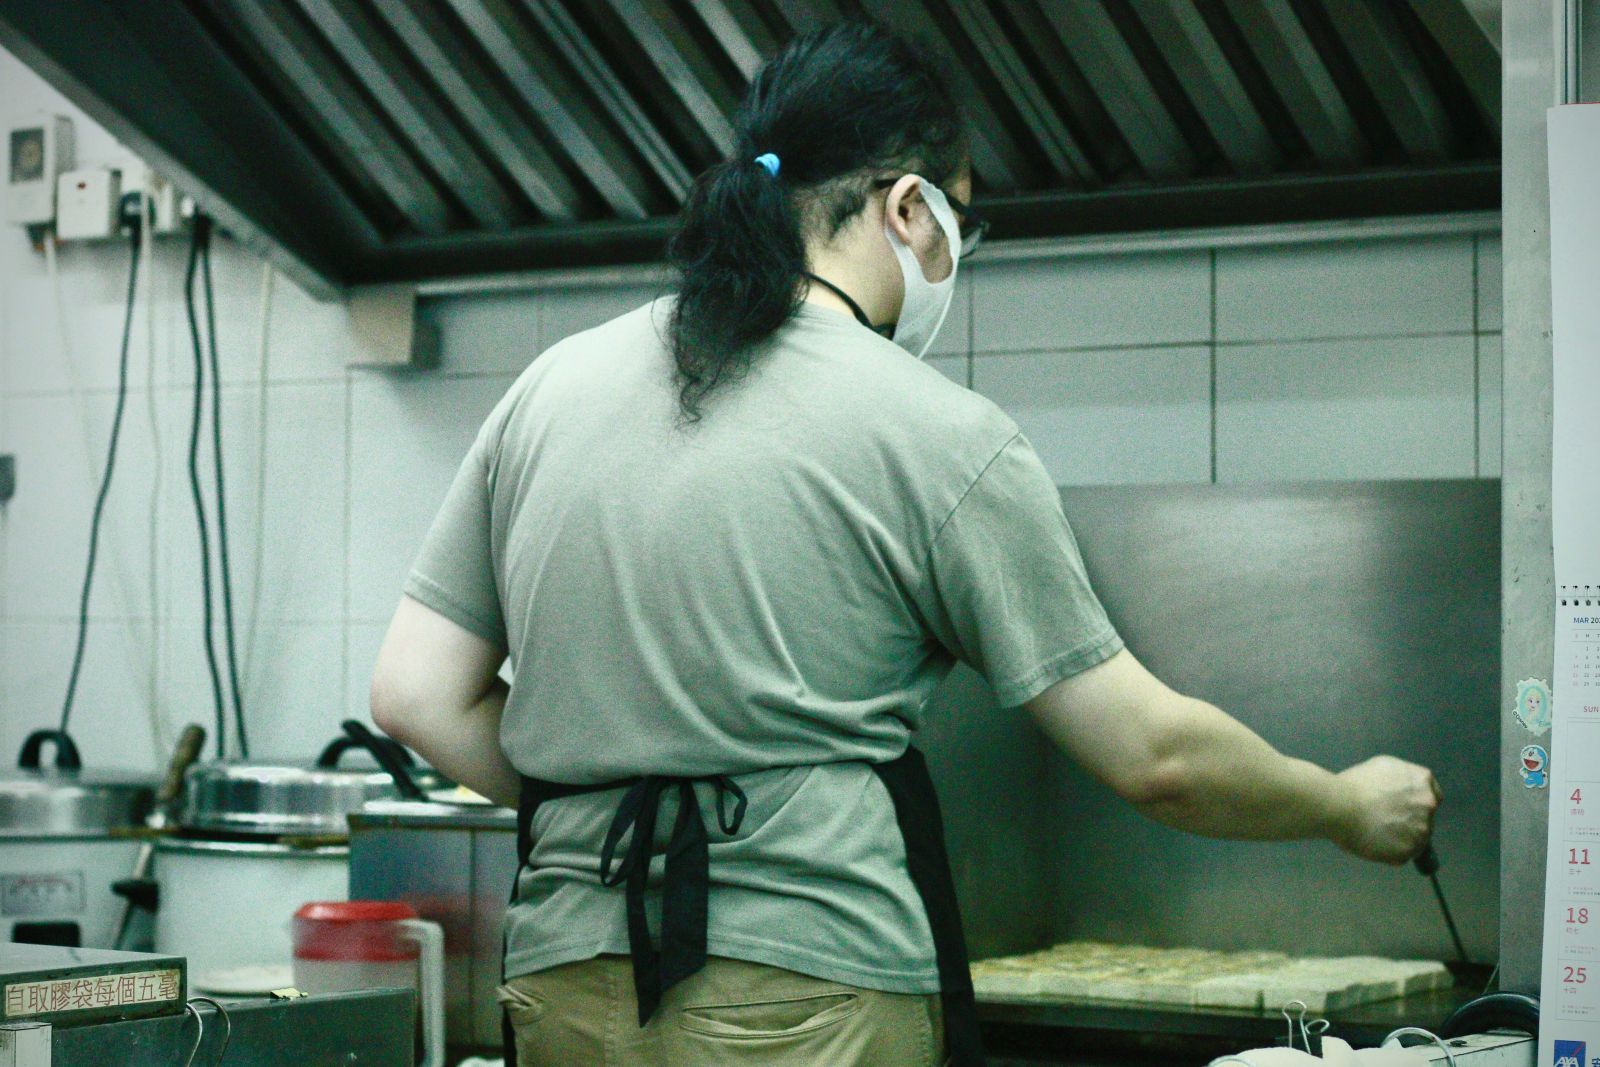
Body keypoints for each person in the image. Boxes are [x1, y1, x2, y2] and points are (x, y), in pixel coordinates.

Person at [370, 21, 1440, 1067]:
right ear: (906, 207)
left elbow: (415, 693)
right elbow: (1153, 757)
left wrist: (611, 792)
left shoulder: (550, 388)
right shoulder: (934, 431)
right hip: (804, 997)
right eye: (957, 224)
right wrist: (1343, 803)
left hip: (559, 983)